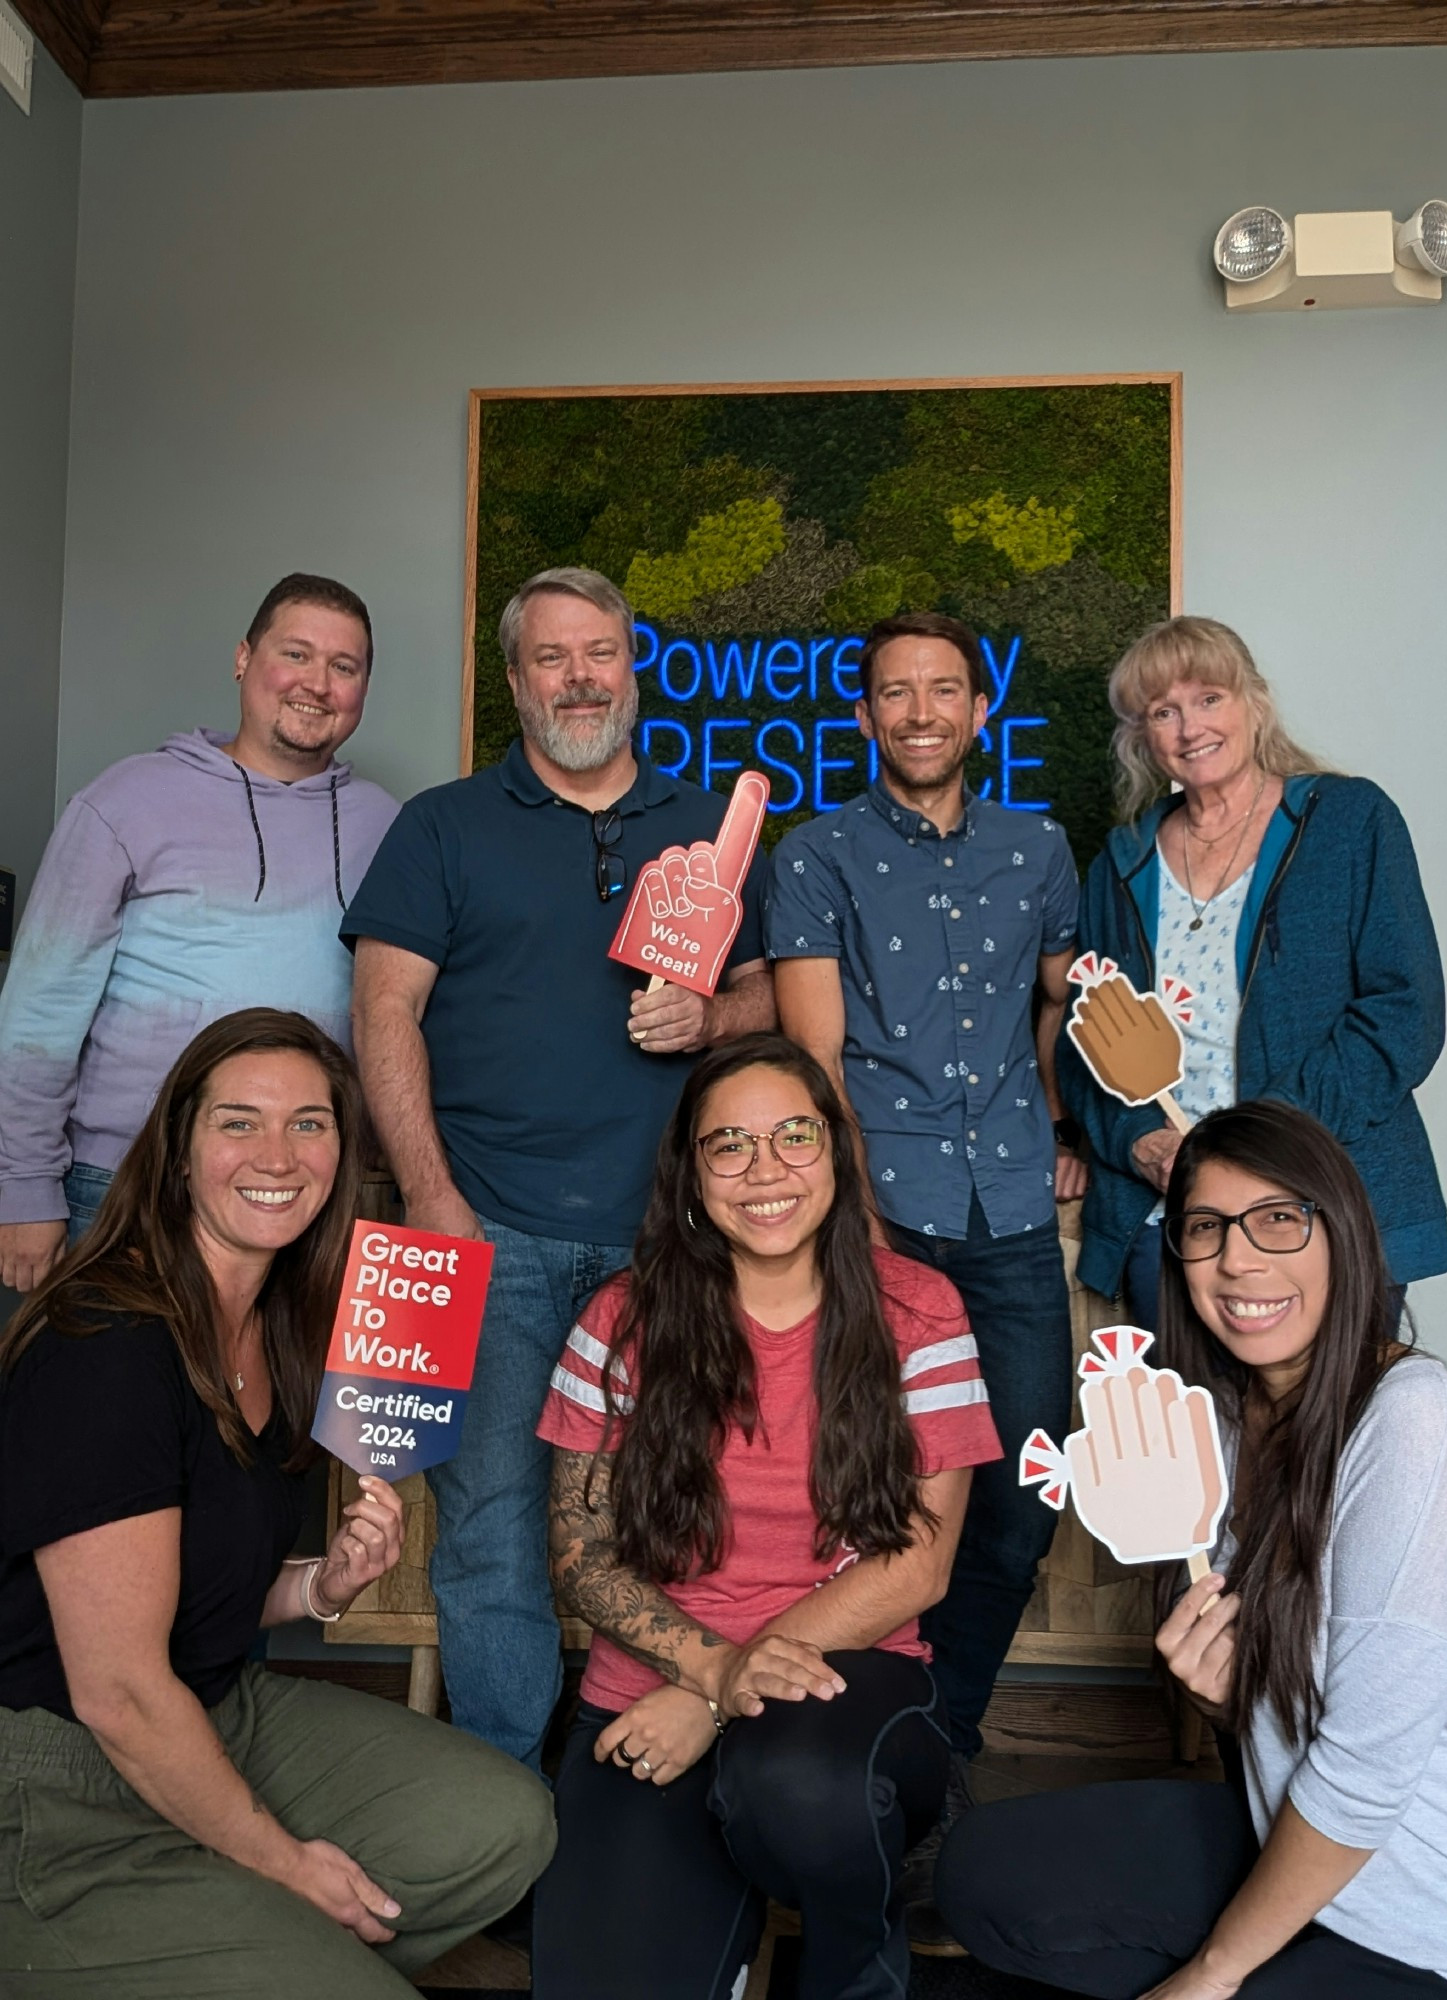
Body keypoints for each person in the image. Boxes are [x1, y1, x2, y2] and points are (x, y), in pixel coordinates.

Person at [0, 1008, 554, 1998]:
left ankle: (220, 1929)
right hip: (51, 1768)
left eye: (310, 1122)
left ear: (344, 1152)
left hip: (210, 1702)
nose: (278, 1153)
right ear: (178, 1151)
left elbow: (185, 1591)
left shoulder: (283, 1331)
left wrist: (321, 1585)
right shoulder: (108, 1345)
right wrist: (280, 1857)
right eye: (238, 1120)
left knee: (505, 1822)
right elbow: (116, 1689)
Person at [343, 566, 775, 1769]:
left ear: (633, 667)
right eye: (551, 657)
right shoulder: (441, 825)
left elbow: (773, 993)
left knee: (689, 1519)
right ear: (515, 678)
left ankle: (678, 1778)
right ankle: (504, 1803)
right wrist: (434, 1199)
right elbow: (384, 1010)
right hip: (495, 1234)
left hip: (674, 1243)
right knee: (488, 1526)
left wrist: (710, 1019)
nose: (579, 677)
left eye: (601, 654)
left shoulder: (708, 827)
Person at [936, 1099, 1447, 1999]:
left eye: (1279, 1219)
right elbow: (1286, 1715)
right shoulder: (1226, 1427)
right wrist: (1233, 1706)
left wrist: (1212, 1972)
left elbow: (1364, 1777)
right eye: (1207, 1228)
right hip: (1282, 1833)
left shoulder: (1421, 1425)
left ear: (1343, 1235)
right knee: (983, 1875)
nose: (1239, 1259)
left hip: (1430, 1907)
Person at [531, 1033, 1001, 1999]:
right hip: (645, 1704)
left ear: (835, 1149)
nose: (765, 1170)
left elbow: (918, 1567)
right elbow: (581, 1561)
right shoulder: (619, 1321)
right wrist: (708, 1674)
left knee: (796, 1790)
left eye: (794, 1135)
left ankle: (852, 1970)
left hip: (843, 1700)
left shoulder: (921, 1312)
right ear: (691, 1176)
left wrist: (718, 1697)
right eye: (728, 1146)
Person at [766, 610, 1083, 1904]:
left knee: (1024, 1495)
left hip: (1006, 1208)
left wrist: (1065, 1121)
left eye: (941, 689)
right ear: (864, 718)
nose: (917, 711)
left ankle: (938, 1739)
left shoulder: (1042, 847)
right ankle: (843, 1749)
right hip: (882, 1216)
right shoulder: (816, 853)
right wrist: (855, 1226)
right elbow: (814, 1056)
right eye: (893, 692)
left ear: (977, 712)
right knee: (855, 1500)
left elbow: (1072, 1004)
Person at [0, 573, 399, 1293]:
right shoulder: (126, 799)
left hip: (301, 1192)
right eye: (297, 655)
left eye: (346, 667)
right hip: (126, 1182)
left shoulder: (388, 826)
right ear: (244, 658)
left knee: (270, 1404)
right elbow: (38, 1013)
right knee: (111, 1401)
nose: (318, 683)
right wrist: (22, 1187)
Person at [1059, 614, 1447, 1332]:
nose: (1190, 727)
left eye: (1209, 698)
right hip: (1172, 1214)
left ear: (1253, 703)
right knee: (1193, 1441)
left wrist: (1256, 1142)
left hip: (1323, 1196)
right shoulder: (1120, 864)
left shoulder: (1349, 821)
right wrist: (1138, 1138)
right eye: (1164, 711)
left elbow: (1405, 1012)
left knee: (1331, 1436)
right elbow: (1086, 1039)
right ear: (1143, 736)